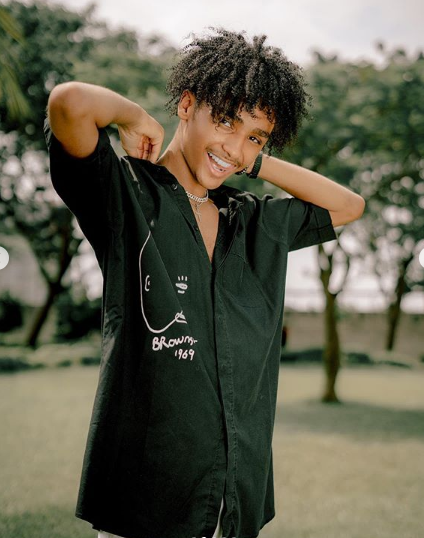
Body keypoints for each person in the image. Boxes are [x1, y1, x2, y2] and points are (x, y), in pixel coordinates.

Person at [44, 28, 364, 538]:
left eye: (255, 135)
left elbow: (348, 206)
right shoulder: (128, 195)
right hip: (146, 502)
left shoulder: (254, 222)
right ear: (187, 104)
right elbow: (69, 103)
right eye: (226, 121)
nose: (234, 147)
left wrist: (252, 160)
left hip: (234, 504)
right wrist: (133, 116)